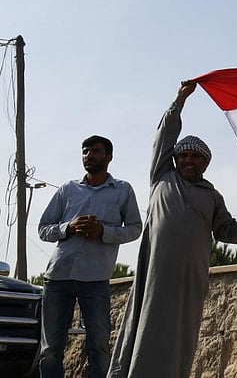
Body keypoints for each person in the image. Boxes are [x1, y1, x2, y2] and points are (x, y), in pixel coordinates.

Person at [107, 81, 237, 378]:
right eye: (184, 156)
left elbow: (229, 232)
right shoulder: (162, 176)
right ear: (175, 159)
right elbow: (165, 135)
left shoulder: (211, 195)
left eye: (195, 157)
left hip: (189, 279)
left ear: (205, 163)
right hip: (156, 273)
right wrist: (180, 100)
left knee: (180, 335)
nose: (188, 160)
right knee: (145, 325)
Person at [37, 135, 142, 378]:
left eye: (95, 151)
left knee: (99, 348)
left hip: (95, 279)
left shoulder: (122, 190)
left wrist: (103, 231)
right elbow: (43, 229)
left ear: (109, 157)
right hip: (58, 277)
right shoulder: (67, 189)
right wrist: (68, 227)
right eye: (85, 152)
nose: (89, 156)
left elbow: (135, 228)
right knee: (51, 349)